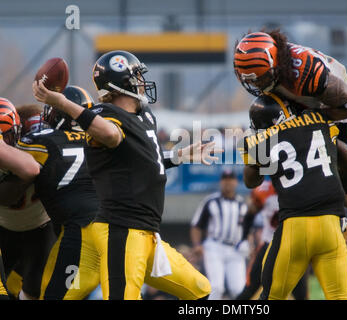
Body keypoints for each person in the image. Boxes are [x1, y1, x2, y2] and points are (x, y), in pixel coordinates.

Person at [32, 50, 216, 300]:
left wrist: (180, 156)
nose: (142, 82)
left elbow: (145, 161)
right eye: (137, 76)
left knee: (199, 291)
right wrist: (62, 102)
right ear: (121, 84)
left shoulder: (144, 115)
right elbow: (110, 135)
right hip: (121, 230)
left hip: (147, 233)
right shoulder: (104, 114)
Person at [233, 30, 347, 275]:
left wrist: (310, 125)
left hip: (345, 113)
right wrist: (255, 154)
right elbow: (251, 180)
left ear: (275, 67)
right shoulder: (269, 96)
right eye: (249, 79)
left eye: (259, 79)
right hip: (310, 112)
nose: (255, 85)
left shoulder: (306, 72)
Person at [239, 93, 347, 300]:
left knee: (271, 297)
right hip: (331, 225)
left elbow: (251, 181)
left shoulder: (261, 141)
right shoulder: (318, 122)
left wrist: (256, 150)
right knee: (341, 297)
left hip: (295, 228)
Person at [17, 86, 102, 300]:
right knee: (42, 288)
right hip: (103, 226)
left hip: (80, 231)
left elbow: (12, 157)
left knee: (55, 295)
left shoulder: (43, 140)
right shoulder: (100, 140)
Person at [0, 98, 55, 300]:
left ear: (18, 128)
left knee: (34, 291)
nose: (4, 143)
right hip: (4, 227)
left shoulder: (35, 140)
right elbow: (6, 196)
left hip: (40, 227)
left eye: (6, 136)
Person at [236, 180, 308, 300]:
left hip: (293, 247)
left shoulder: (299, 189)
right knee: (249, 290)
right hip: (269, 246)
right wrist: (243, 239)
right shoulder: (264, 190)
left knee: (301, 294)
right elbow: (250, 214)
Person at [190, 169, 249, 300]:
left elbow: (247, 229)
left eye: (231, 179)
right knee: (216, 287)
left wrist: (248, 244)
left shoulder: (242, 204)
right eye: (225, 179)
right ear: (221, 182)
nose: (228, 183)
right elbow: (196, 225)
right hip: (215, 246)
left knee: (238, 289)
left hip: (236, 248)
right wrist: (197, 244)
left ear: (236, 182)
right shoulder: (210, 201)